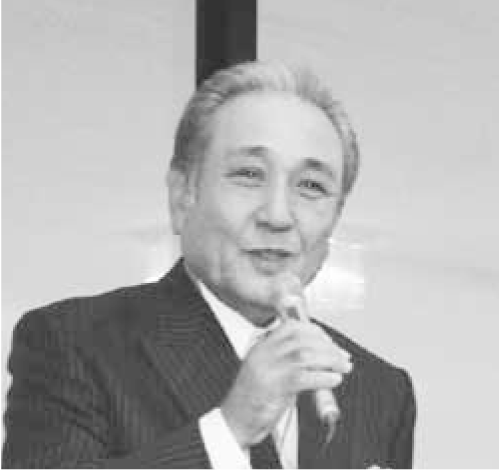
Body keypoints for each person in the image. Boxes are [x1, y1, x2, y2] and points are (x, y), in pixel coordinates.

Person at [3, 61, 416, 470]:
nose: (277, 215)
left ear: (336, 218)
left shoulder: (379, 390)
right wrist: (229, 431)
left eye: (311, 186)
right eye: (249, 174)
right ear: (182, 195)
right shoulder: (75, 342)